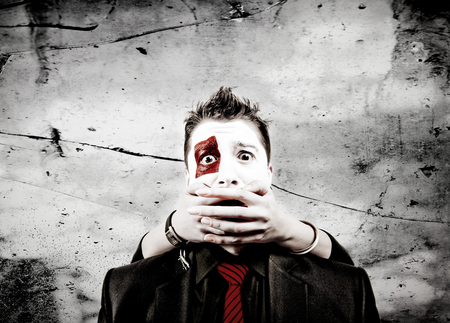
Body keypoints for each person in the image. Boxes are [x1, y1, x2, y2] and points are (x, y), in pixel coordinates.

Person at [98, 87, 380, 323]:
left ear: (268, 174)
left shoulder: (347, 287)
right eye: (208, 159)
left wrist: (291, 231)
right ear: (188, 179)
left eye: (244, 156)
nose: (227, 176)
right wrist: (173, 229)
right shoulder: (122, 288)